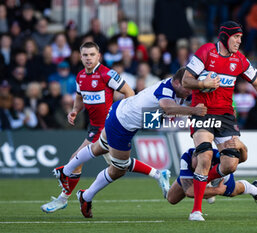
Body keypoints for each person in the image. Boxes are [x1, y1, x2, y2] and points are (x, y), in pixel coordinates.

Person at [182, 20, 257, 221]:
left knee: (230, 164)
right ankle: (196, 211)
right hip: (202, 113)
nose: (239, 41)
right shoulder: (206, 52)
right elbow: (186, 80)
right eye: (236, 37)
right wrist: (203, 83)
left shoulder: (239, 60)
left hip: (226, 116)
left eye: (240, 38)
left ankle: (206, 181)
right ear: (225, 36)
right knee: (204, 157)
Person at [73, 67, 207, 218]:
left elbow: (159, 114)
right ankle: (85, 195)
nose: (190, 91)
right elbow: (167, 108)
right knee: (118, 169)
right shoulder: (167, 89)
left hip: (123, 113)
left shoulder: (179, 90)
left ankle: (68, 174)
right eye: (187, 87)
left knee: (99, 148)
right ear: (176, 83)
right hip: (122, 123)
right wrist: (193, 111)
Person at [40, 41, 134, 213]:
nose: (88, 58)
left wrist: (118, 115)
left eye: (92, 54)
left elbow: (130, 93)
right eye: (85, 55)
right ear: (80, 56)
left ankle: (64, 199)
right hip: (94, 128)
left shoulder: (107, 74)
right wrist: (75, 110)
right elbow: (79, 97)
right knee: (120, 166)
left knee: (75, 161)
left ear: (99, 56)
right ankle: (157, 174)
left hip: (106, 128)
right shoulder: (80, 76)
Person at [167, 138, 257, 209]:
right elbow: (189, 192)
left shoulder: (217, 155)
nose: (197, 166)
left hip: (218, 177)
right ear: (194, 156)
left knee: (233, 191)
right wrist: (217, 190)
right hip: (194, 179)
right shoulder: (186, 158)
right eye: (195, 164)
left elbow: (242, 159)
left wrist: (242, 147)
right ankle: (208, 188)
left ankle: (254, 189)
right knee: (172, 198)